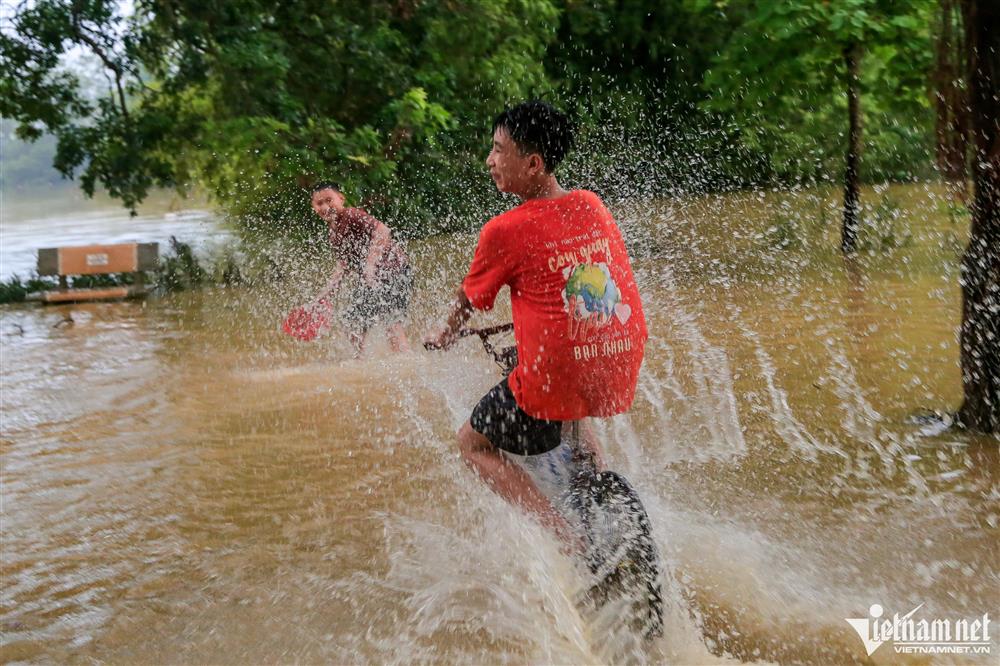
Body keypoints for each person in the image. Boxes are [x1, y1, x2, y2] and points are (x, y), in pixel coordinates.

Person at [424, 101, 648, 546]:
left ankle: (567, 540)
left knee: (471, 444)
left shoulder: (503, 230)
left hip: (560, 368)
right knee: (561, 380)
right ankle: (597, 482)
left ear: (532, 163)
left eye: (498, 149)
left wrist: (442, 335)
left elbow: (470, 299)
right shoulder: (591, 203)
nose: (489, 160)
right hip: (618, 357)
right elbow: (586, 281)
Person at [309, 181, 412, 353]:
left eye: (329, 200)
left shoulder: (352, 215)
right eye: (320, 203)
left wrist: (370, 265)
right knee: (351, 323)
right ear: (314, 207)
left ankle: (405, 361)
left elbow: (383, 231)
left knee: (391, 321)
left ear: (341, 199)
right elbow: (343, 267)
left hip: (395, 271)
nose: (325, 206)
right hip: (372, 279)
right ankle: (361, 362)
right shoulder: (333, 233)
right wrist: (321, 297)